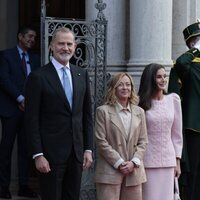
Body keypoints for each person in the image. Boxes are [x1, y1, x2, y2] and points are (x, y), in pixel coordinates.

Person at [24, 27, 93, 200]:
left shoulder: (81, 74)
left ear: (75, 46)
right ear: (52, 46)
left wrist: (88, 149)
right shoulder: (38, 77)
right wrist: (38, 154)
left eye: (69, 44)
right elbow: (31, 119)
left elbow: (87, 116)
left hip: (76, 154)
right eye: (61, 43)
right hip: (50, 155)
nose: (65, 48)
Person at [0, 26, 40, 199]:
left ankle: (24, 186)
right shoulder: (6, 55)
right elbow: (4, 79)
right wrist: (20, 98)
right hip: (11, 109)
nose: (32, 40)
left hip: (29, 112)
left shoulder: (36, 58)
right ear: (20, 36)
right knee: (6, 150)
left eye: (34, 38)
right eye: (29, 36)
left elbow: (38, 82)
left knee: (26, 149)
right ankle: (3, 187)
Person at [95, 72, 148, 200]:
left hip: (133, 172)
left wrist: (134, 162)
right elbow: (100, 141)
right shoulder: (103, 111)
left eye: (128, 84)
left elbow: (143, 141)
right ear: (114, 88)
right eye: (120, 85)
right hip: (109, 171)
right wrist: (119, 163)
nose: (125, 88)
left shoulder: (139, 112)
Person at [138, 63, 183, 200]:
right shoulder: (140, 102)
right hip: (148, 161)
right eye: (159, 77)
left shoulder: (173, 99)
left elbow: (177, 135)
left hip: (169, 162)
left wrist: (177, 162)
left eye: (165, 76)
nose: (163, 80)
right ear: (150, 79)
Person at [168, 21, 200, 200]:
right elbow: (180, 64)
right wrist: (195, 49)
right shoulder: (188, 62)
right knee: (193, 172)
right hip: (194, 126)